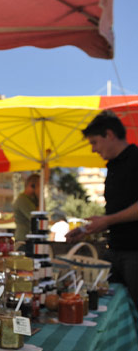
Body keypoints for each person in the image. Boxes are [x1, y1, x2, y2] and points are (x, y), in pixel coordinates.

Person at [66, 110, 138, 306]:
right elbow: (118, 214)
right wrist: (88, 229)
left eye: (94, 142)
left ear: (109, 134)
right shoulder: (113, 167)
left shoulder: (135, 159)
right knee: (112, 309)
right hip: (115, 251)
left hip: (134, 254)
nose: (93, 150)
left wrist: (107, 221)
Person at [12, 174, 41, 241]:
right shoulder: (22, 199)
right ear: (32, 185)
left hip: (29, 238)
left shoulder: (32, 199)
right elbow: (37, 216)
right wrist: (40, 196)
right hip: (24, 239)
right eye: (39, 186)